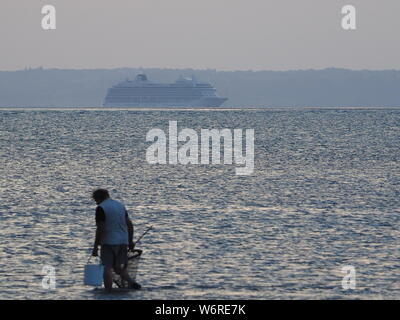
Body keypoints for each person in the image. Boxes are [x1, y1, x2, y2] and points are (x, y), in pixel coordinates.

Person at [91, 188, 141, 292]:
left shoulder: (101, 208)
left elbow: (101, 228)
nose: (96, 203)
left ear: (99, 198)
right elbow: (129, 224)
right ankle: (132, 283)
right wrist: (130, 241)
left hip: (109, 241)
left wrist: (96, 246)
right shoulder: (120, 206)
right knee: (118, 268)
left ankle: (108, 292)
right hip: (123, 241)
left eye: (95, 200)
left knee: (106, 267)